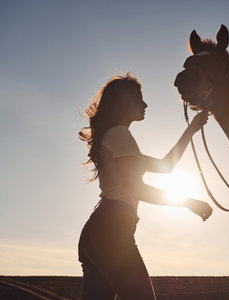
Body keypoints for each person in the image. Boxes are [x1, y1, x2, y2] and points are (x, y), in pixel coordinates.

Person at [78, 73, 212, 300]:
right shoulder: (120, 134)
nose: (145, 104)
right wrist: (189, 202)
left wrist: (191, 130)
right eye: (139, 99)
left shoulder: (114, 137)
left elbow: (165, 166)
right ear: (124, 103)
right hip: (112, 232)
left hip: (99, 232)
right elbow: (138, 190)